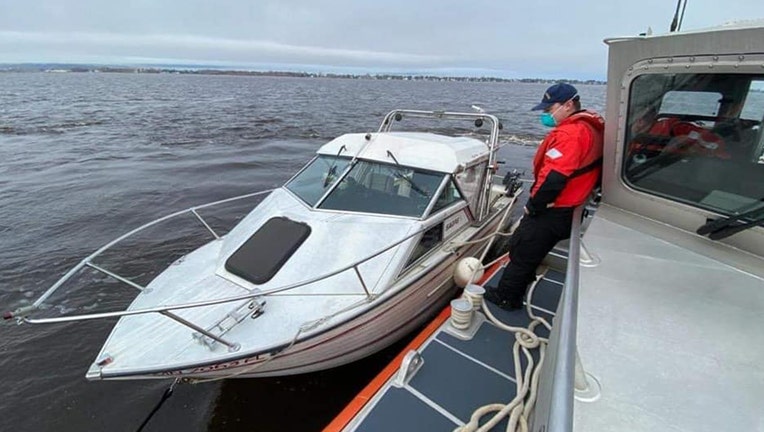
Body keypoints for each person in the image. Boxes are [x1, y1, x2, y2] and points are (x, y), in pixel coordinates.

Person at [484, 83, 604, 310]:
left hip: (553, 209)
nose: (546, 115)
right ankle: (522, 282)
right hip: (571, 206)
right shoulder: (591, 127)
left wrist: (533, 206)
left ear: (569, 105)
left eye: (550, 110)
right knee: (531, 250)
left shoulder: (571, 134)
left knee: (522, 250)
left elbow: (555, 178)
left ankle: (506, 298)